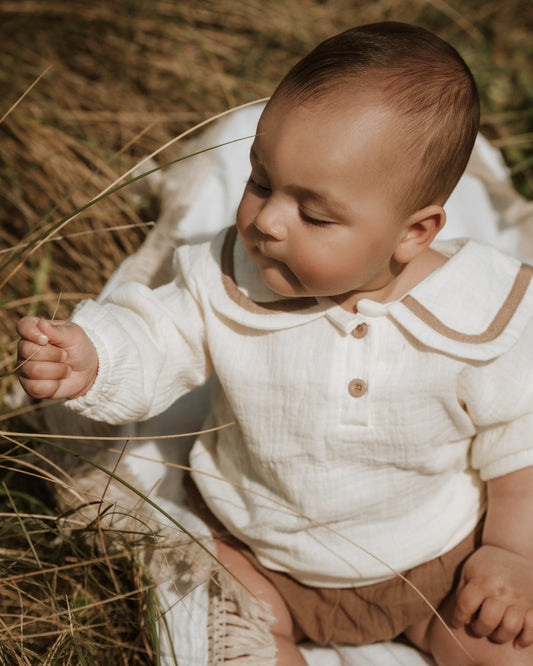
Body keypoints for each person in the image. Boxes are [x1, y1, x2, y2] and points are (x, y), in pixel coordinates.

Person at [16, 22, 533, 666]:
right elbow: (158, 331)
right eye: (260, 181)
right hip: (259, 552)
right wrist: (94, 357)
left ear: (415, 233)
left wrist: (510, 553)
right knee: (228, 638)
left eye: (314, 215)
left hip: (437, 560)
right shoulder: (226, 277)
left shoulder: (480, 312)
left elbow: (520, 443)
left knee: (506, 648)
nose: (266, 221)